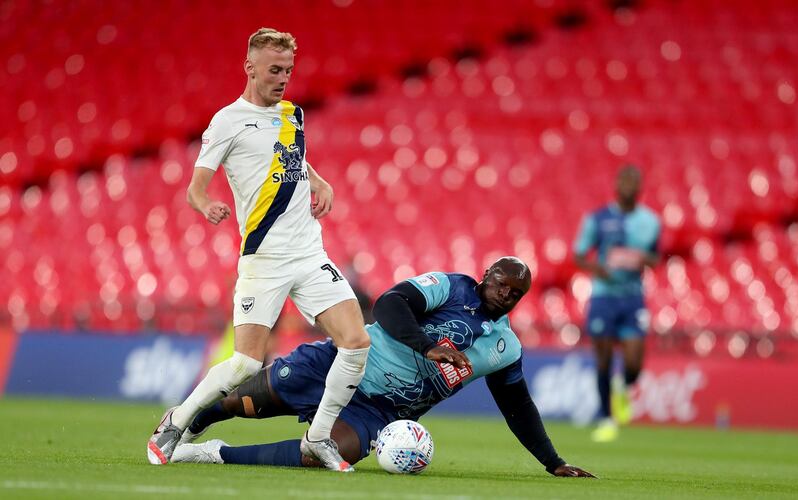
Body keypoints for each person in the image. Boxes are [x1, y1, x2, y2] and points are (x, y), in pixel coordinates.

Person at [147, 28, 370, 472]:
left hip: (309, 252)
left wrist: (319, 180)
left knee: (357, 341)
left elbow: (291, 157)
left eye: (288, 70)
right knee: (245, 363)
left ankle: (317, 438)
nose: (283, 78)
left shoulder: (293, 114)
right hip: (264, 259)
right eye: (274, 70)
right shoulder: (227, 121)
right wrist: (206, 204)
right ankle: (177, 420)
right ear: (250, 68)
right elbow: (195, 188)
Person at [171, 257, 595, 478]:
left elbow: (518, 406)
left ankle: (214, 455)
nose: (506, 293)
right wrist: (428, 347)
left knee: (324, 455)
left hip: (381, 412)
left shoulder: (505, 347)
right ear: (486, 275)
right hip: (341, 363)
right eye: (501, 282)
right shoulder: (450, 285)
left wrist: (551, 460)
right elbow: (390, 303)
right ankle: (185, 425)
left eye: (516, 292)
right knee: (241, 402)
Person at [573, 165, 661, 442]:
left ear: (640, 187)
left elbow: (657, 257)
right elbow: (579, 255)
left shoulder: (651, 221)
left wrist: (643, 259)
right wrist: (597, 269)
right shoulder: (597, 219)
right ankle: (606, 418)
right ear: (616, 185)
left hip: (633, 297)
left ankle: (624, 384)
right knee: (604, 358)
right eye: (624, 181)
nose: (628, 186)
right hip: (603, 296)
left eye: (634, 182)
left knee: (634, 361)